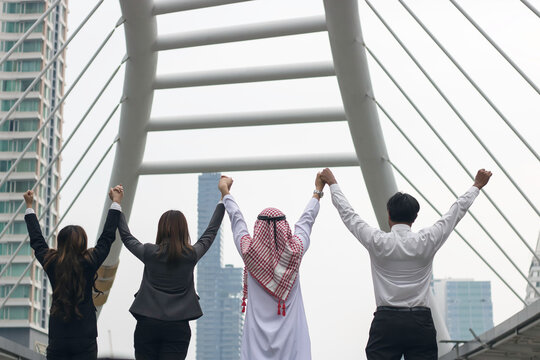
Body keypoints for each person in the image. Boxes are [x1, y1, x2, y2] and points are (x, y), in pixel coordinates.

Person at [319, 167, 492, 360]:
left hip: (386, 323)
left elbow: (349, 215)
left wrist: (333, 184)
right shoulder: (427, 240)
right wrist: (476, 186)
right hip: (420, 323)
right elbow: (455, 213)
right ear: (415, 217)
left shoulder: (377, 241)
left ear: (388, 214)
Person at [218, 173, 324, 360]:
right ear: (285, 227)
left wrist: (226, 192)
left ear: (257, 227)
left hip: (255, 346)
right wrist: (317, 191)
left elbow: (237, 221)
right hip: (293, 345)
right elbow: (306, 222)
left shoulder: (249, 252)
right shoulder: (295, 252)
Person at [117, 195, 225, 360]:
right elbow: (210, 233)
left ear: (161, 229)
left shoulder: (149, 252)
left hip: (147, 324)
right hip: (178, 326)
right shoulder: (191, 254)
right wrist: (223, 200)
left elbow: (127, 237)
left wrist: (117, 205)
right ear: (184, 230)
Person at [24, 184, 124, 360]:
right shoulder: (89, 262)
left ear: (60, 243)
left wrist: (29, 207)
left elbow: (37, 242)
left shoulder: (52, 263)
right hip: (85, 339)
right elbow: (107, 238)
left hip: (58, 338)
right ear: (83, 243)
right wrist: (115, 203)